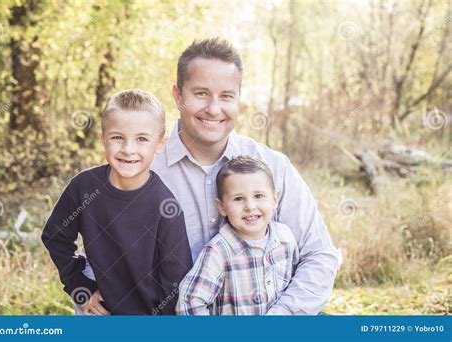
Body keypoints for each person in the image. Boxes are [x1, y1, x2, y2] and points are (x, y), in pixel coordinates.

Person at [83, 38, 338, 315]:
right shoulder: (140, 169)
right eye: (201, 93)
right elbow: (100, 259)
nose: (214, 109)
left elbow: (319, 256)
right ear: (178, 96)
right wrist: (83, 291)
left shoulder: (273, 168)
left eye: (226, 96)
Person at [41, 89, 193, 315]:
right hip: (98, 313)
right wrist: (79, 288)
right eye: (117, 137)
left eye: (141, 139)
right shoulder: (84, 187)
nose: (128, 149)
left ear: (160, 144)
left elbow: (176, 279)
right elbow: (55, 236)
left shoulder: (166, 207)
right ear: (103, 139)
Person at [176, 156, 299, 315]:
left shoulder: (285, 238)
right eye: (238, 199)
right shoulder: (218, 252)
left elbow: (294, 282)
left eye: (258, 196)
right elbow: (190, 302)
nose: (250, 206)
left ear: (275, 199)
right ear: (222, 207)